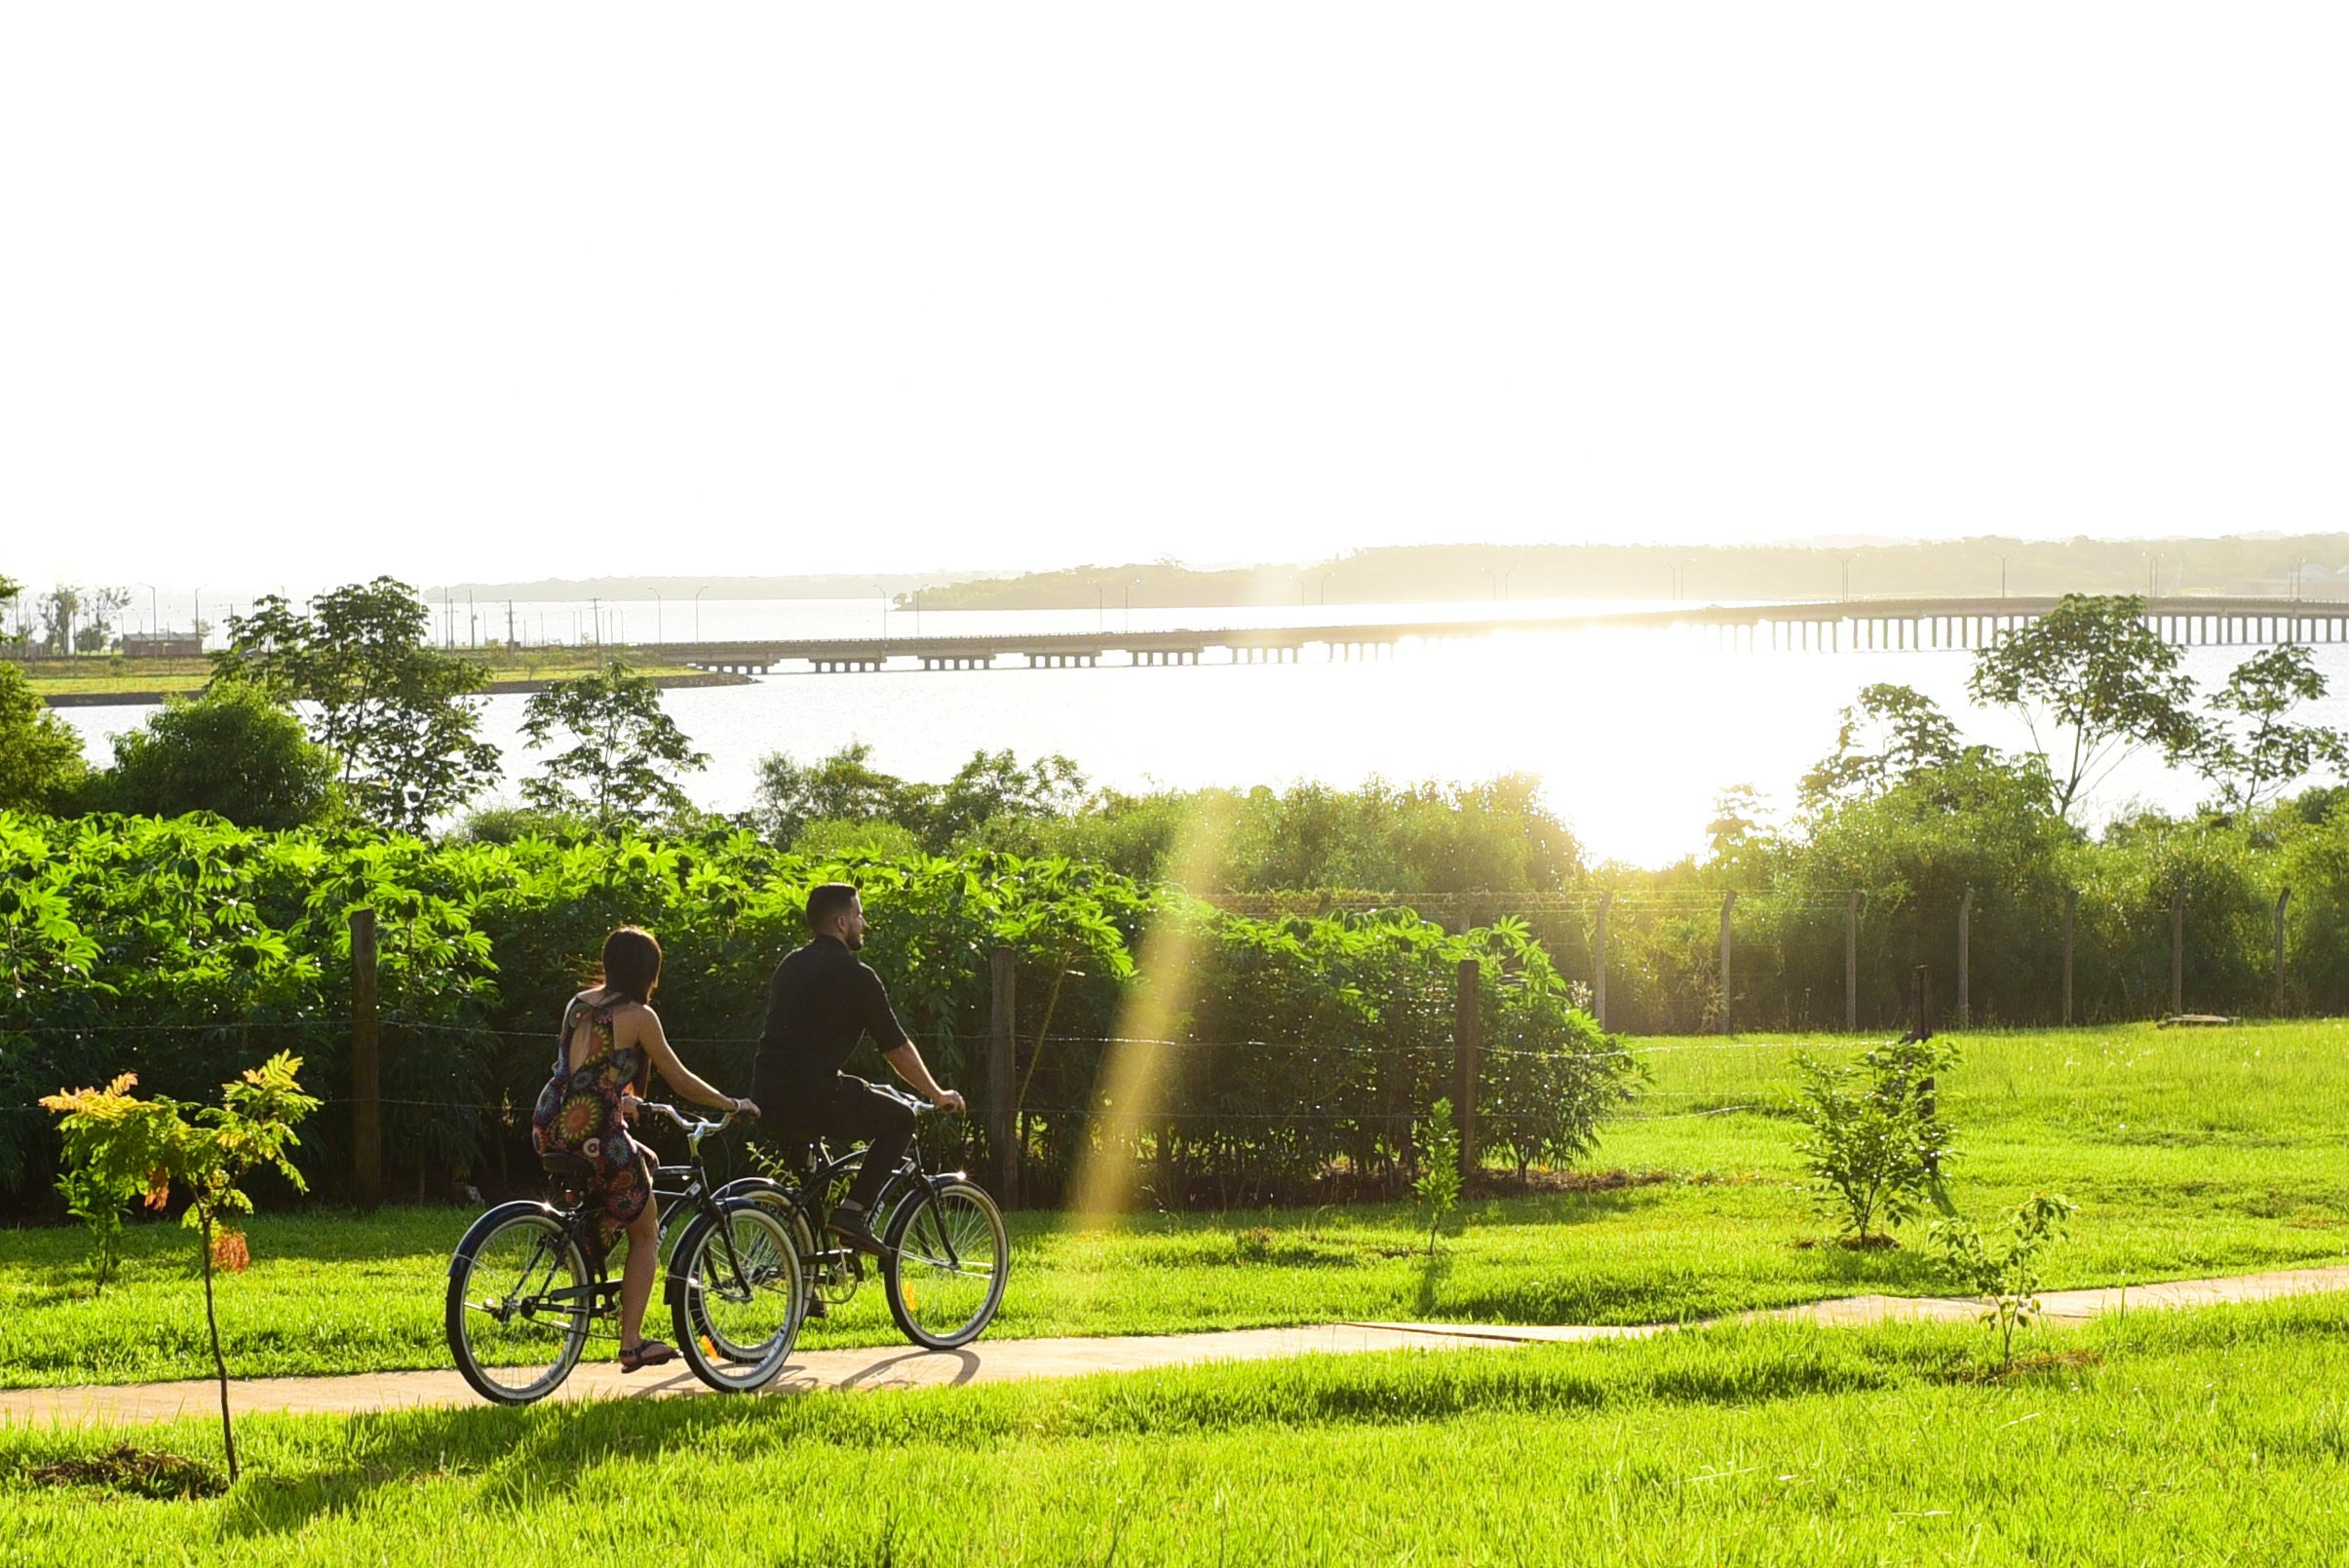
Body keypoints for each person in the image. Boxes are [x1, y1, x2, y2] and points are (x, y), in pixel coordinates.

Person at [532, 926, 758, 1372]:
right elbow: (681, 1080)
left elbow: (582, 1069)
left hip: (550, 1119)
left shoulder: (578, 1004)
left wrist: (624, 1097)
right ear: (649, 971)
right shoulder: (638, 1016)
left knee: (644, 1164)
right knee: (646, 1231)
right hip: (594, 1130)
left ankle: (588, 1239)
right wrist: (732, 1104)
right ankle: (631, 1343)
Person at [752, 883, 964, 1254]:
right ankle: (853, 1213)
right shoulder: (856, 975)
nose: (863, 923)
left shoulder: (790, 965)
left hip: (766, 1095)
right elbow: (895, 1046)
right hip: (814, 1095)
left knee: (811, 1187)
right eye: (858, 915)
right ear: (840, 922)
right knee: (900, 1120)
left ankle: (808, 1276)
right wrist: (936, 1093)